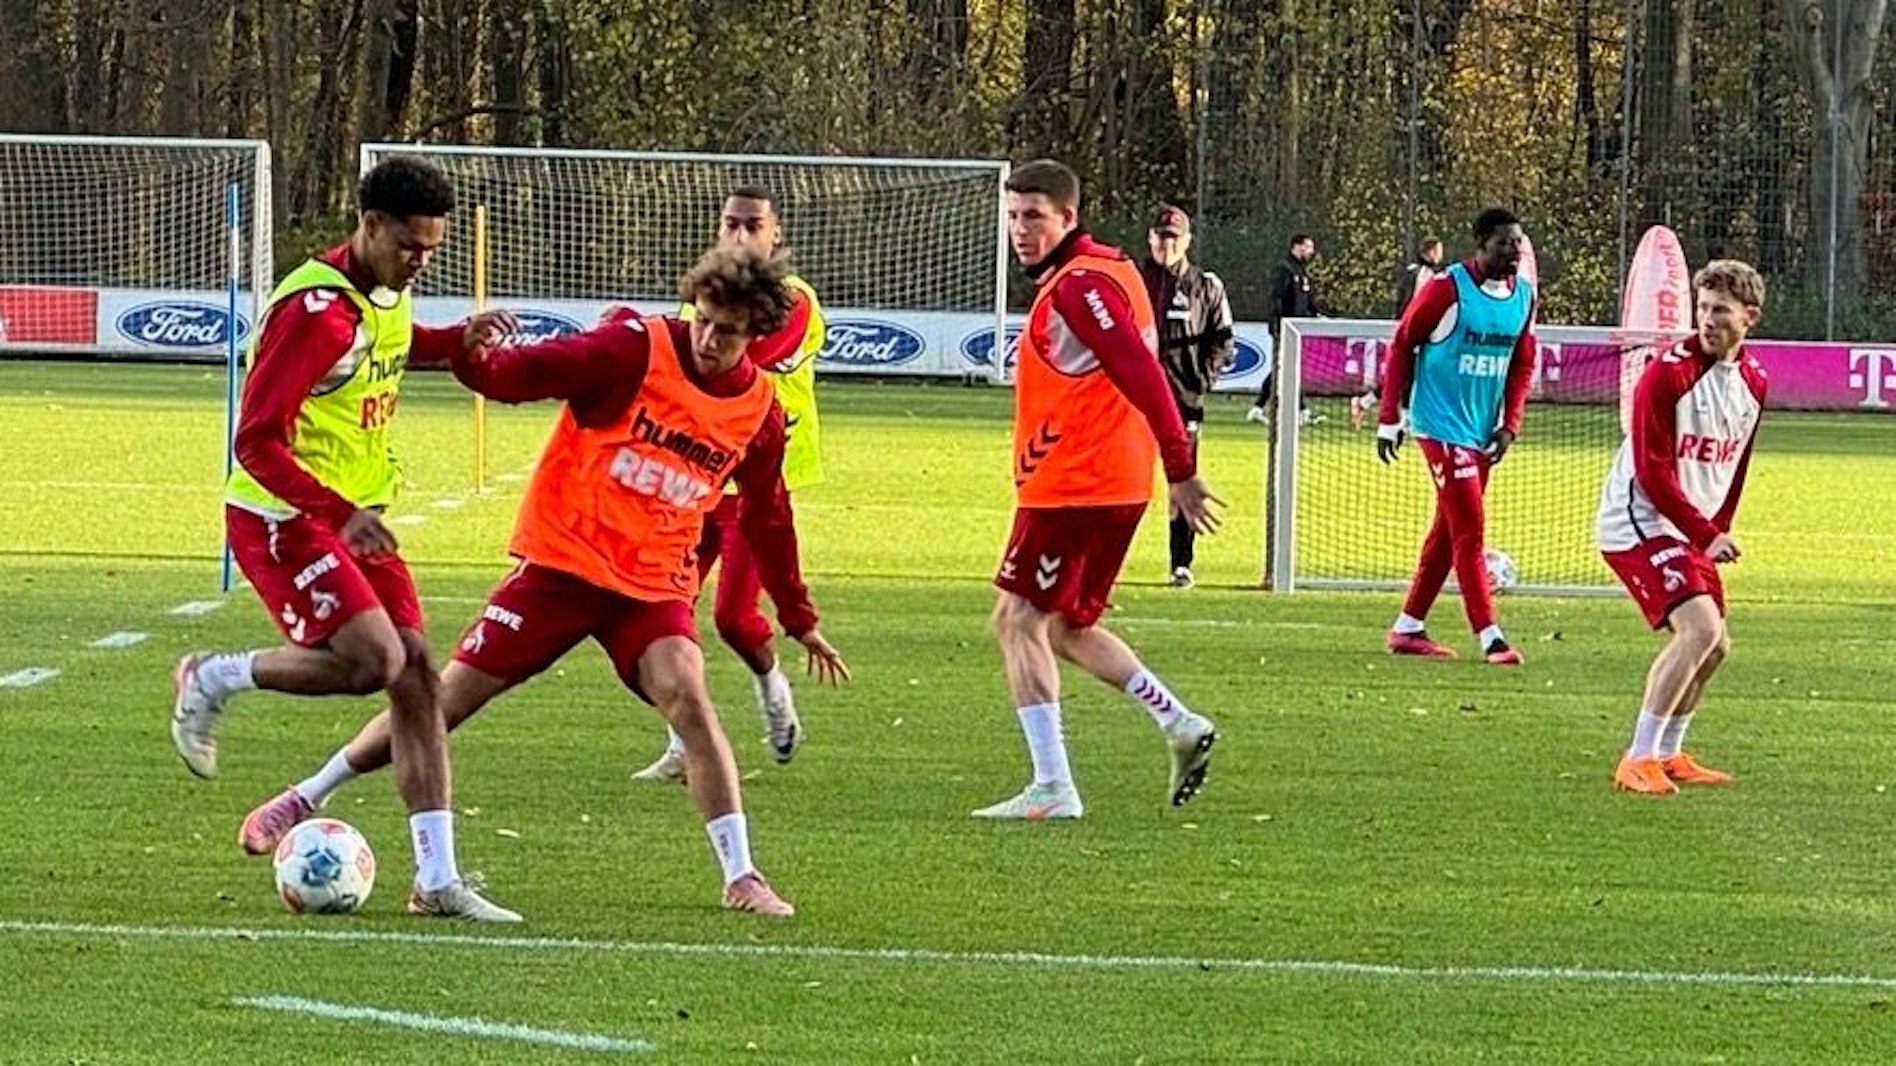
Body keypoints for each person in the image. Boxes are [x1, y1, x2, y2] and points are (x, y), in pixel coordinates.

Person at [237, 245, 848, 917]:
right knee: (443, 701)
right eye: (701, 318)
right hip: (562, 567)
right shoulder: (633, 350)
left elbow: (768, 516)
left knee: (689, 697)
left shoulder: (759, 413)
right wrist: (476, 359)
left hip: (651, 585)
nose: (707, 338)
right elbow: (527, 375)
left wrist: (798, 617)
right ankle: (308, 793)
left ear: (756, 333)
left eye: (726, 331)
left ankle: (742, 875)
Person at [171, 155, 520, 920]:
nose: (421, 260)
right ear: (370, 225)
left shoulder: (381, 290)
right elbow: (255, 441)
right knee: (373, 661)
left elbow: (388, 344)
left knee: (417, 675)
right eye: (411, 245)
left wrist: (455, 339)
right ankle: (212, 676)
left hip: (350, 517)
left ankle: (437, 882)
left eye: (432, 247)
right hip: (283, 517)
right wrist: (336, 512)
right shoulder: (314, 312)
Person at [974, 159, 1223, 821]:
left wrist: (1181, 465)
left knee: (1017, 619)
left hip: (1075, 484)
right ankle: (1177, 721)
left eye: (1034, 216)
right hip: (1105, 481)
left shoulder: (1081, 286)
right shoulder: (1110, 269)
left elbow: (1140, 369)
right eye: (1013, 216)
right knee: (1066, 625)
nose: (1020, 229)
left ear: (1068, 217)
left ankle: (1053, 785)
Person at [634, 186, 831, 782]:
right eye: (731, 224)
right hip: (696, 484)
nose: (740, 235)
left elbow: (747, 355)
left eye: (753, 225)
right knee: (663, 614)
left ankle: (774, 694)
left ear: (776, 233)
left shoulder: (793, 301)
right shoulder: (701, 305)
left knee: (734, 619)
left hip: (757, 490)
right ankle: (682, 744)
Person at [1599, 261, 1768, 795]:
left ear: (1750, 316)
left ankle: (1669, 754)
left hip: (1689, 528)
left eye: (1721, 310)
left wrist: (1715, 530)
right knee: (1699, 631)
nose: (1708, 320)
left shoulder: (1755, 383)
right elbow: (1653, 471)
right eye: (1703, 308)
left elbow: (1734, 467)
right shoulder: (1666, 373)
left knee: (1715, 647)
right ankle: (1637, 758)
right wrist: (1705, 534)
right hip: (1639, 520)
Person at [1374, 207, 1537, 665]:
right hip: (1439, 424)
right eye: (1504, 243)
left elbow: (1523, 363)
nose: (1514, 252)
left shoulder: (1523, 296)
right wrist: (1390, 416)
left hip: (1481, 430)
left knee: (1448, 531)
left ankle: (1408, 626)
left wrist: (1510, 425)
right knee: (1469, 527)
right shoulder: (1447, 288)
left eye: (1518, 243)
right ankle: (1491, 637)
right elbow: (1403, 342)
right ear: (1480, 245)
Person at [1139, 204, 1234, 590]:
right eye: (1161, 237)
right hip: (1131, 404)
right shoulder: (1133, 280)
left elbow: (1223, 342)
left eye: (1174, 238)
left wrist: (1200, 382)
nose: (1167, 244)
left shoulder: (1205, 286)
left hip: (1182, 404)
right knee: (1115, 482)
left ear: (1187, 241)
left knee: (1181, 485)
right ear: (1150, 239)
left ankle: (1181, 563)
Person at [1354, 236, 1445, 431]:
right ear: (1430, 252)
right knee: (1406, 375)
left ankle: (1368, 403)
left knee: (1408, 375)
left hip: (1419, 332)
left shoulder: (1425, 273)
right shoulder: (1420, 274)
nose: (1440, 255)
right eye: (1438, 251)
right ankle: (1400, 416)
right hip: (1412, 332)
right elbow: (1409, 303)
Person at [1246, 233, 1325, 427]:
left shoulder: (1301, 271)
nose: (1311, 251)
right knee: (1284, 368)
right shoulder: (1284, 269)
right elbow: (1277, 299)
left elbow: (1306, 300)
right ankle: (1298, 411)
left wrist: (1316, 315)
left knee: (1286, 369)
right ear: (1296, 246)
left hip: (1296, 330)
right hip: (1285, 329)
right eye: (1308, 246)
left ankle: (1262, 408)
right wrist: (1279, 324)